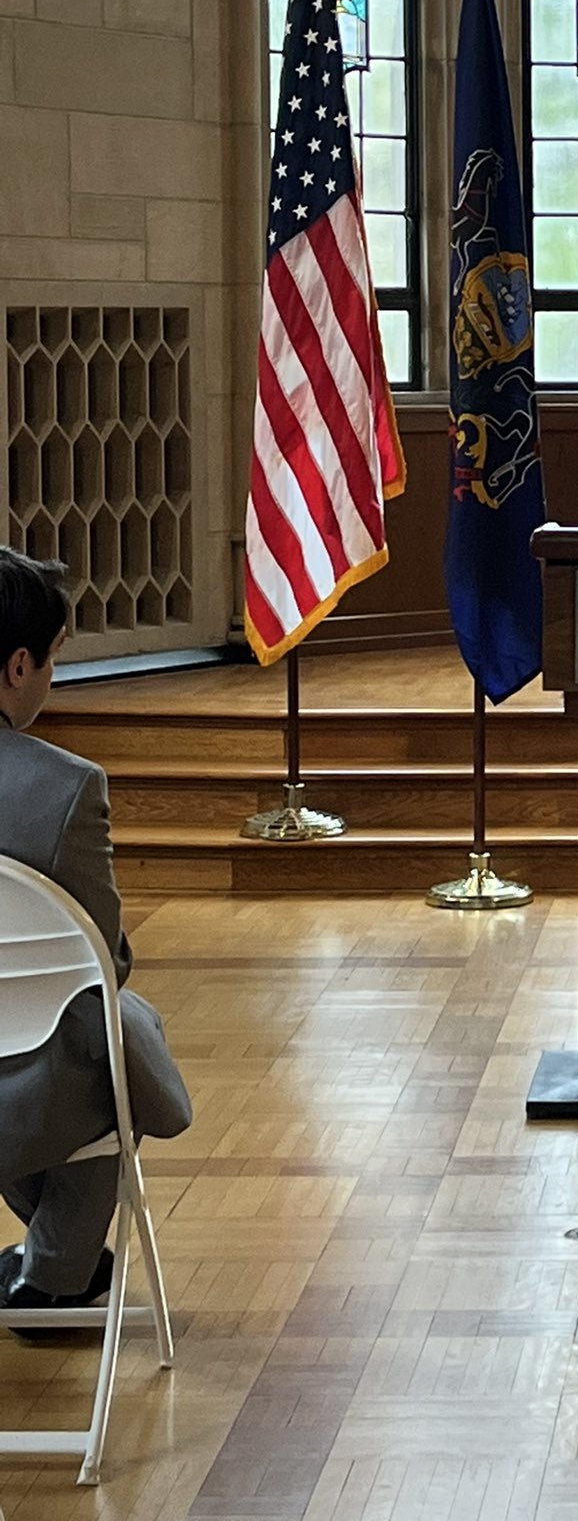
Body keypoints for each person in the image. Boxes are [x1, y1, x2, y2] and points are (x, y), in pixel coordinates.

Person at [0, 547, 192, 1333]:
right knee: (116, 1043)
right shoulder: (66, 787)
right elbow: (100, 962)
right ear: (18, 666)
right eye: (53, 657)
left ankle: (52, 1269)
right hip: (18, 1088)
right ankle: (55, 1276)